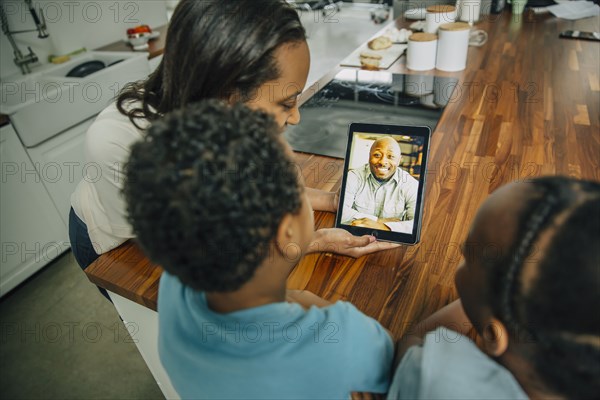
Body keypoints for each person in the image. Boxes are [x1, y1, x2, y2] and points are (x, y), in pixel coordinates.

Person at [68, 0, 397, 279]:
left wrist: (332, 201)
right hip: (123, 246)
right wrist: (316, 240)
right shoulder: (121, 145)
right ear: (226, 94)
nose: (295, 117)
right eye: (285, 103)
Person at [123, 100, 395, 398]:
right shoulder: (341, 341)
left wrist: (314, 244)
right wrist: (321, 307)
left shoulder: (176, 286)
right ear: (286, 230)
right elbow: (398, 360)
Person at [388, 177, 600, 399]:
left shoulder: (442, 381)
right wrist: (494, 300)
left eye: (468, 257)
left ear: (492, 335)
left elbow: (412, 344)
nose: (460, 249)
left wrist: (481, 302)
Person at [341, 136, 419, 232]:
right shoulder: (353, 177)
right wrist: (378, 221)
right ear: (369, 156)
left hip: (391, 240)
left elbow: (416, 223)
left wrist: (384, 227)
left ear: (399, 160)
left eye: (391, 156)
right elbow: (342, 212)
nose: (382, 162)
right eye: (377, 155)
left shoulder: (410, 184)